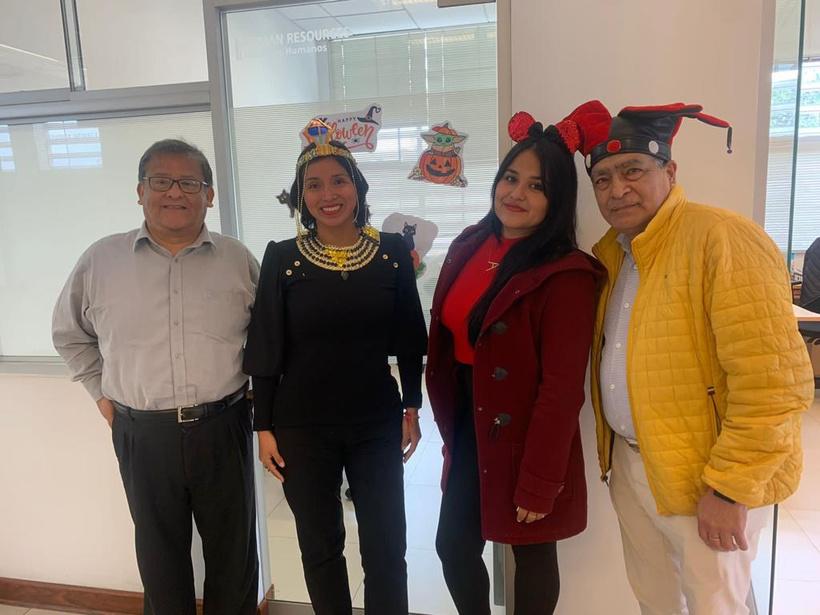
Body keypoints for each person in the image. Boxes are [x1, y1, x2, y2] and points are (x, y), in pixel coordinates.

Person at [573, 100, 815, 614]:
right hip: (631, 465)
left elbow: (774, 383)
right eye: (602, 179)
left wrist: (729, 490)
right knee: (655, 600)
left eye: (632, 170)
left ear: (670, 171)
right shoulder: (613, 254)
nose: (617, 190)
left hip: (706, 478)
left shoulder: (721, 237)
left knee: (716, 606)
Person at [52, 139, 260, 614]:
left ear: (209, 195)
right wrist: (101, 395)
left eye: (190, 183)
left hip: (224, 426)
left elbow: (268, 339)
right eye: (161, 181)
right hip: (142, 433)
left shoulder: (237, 260)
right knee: (159, 560)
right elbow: (69, 334)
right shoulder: (101, 260)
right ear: (140, 191)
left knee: (234, 555)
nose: (175, 193)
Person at [425, 104, 606, 615]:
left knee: (532, 550)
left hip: (527, 429)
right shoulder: (469, 243)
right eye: (511, 178)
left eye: (536, 186)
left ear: (558, 199)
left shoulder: (566, 274)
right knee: (454, 545)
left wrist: (541, 480)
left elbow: (562, 389)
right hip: (469, 417)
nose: (516, 193)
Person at [243, 120, 427, 615]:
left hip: (376, 421)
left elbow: (411, 337)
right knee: (320, 545)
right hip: (302, 425)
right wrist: (263, 427)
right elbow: (266, 344)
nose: (328, 194)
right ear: (301, 198)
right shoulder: (282, 258)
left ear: (357, 187)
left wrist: (412, 406)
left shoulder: (391, 253)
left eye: (339, 181)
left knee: (386, 544)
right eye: (314, 185)